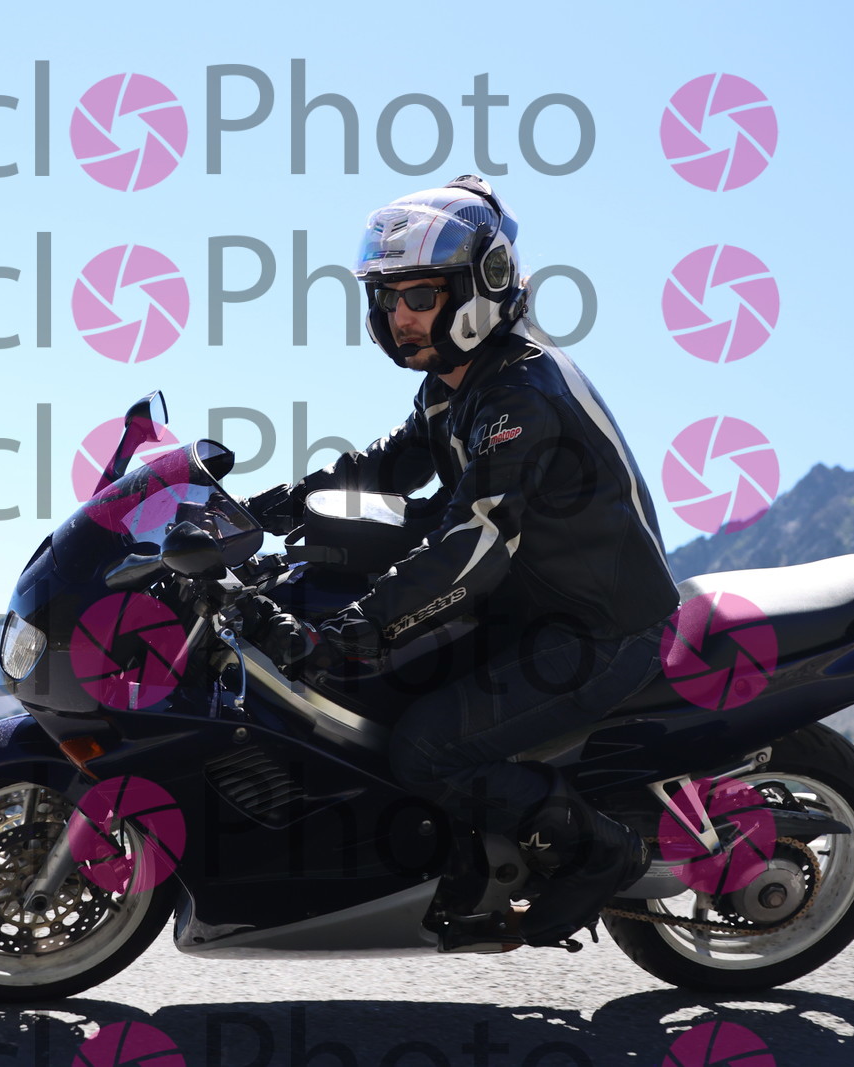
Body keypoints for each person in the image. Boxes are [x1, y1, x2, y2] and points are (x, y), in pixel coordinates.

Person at [244, 175, 681, 947]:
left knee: (427, 748)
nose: (399, 316)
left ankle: (598, 851)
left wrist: (360, 627)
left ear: (484, 284)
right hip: (528, 610)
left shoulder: (521, 393)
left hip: (598, 631)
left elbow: (473, 544)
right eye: (387, 297)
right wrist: (266, 509)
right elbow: (385, 466)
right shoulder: (456, 386)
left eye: (420, 295)